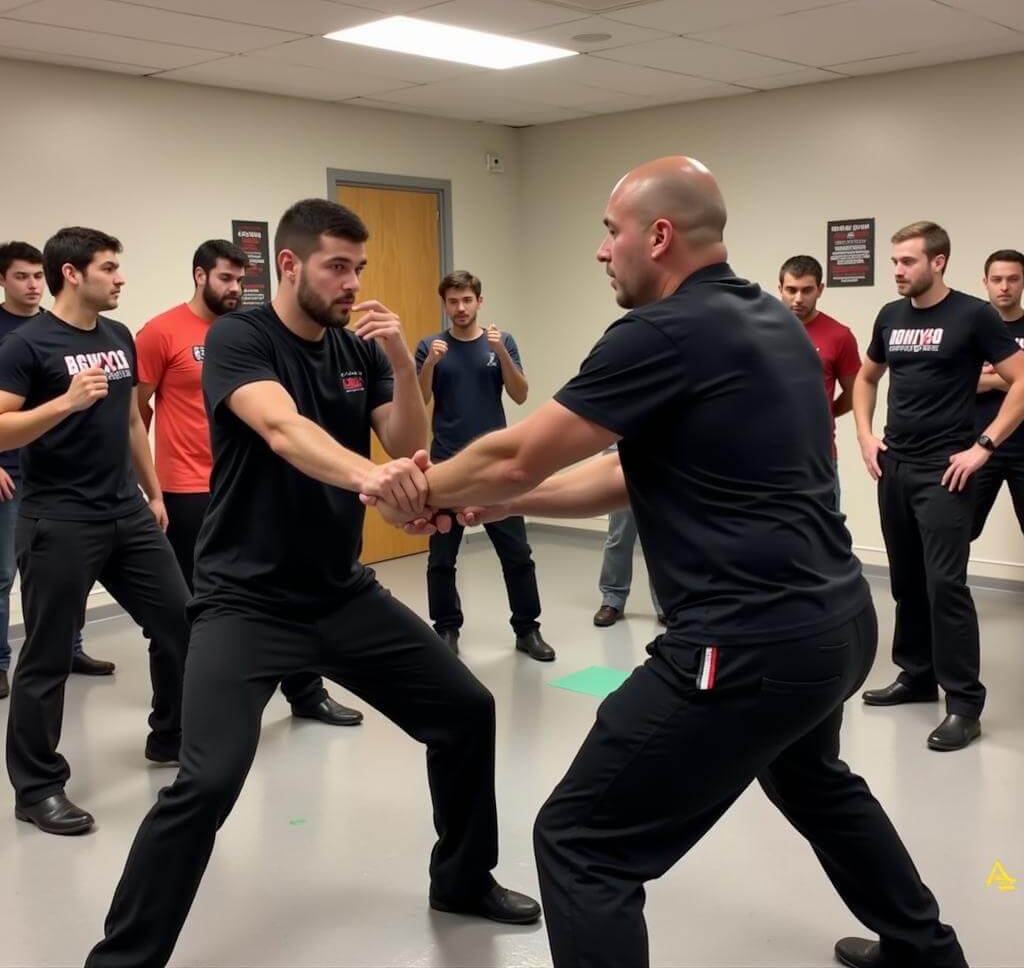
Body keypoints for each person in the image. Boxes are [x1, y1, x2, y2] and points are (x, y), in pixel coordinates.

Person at [370, 157, 967, 968]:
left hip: (743, 642)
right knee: (813, 780)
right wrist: (513, 505)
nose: (601, 251)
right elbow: (628, 472)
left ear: (658, 236)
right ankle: (925, 951)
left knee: (583, 843)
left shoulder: (661, 333)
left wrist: (402, 488)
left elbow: (514, 452)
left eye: (610, 232)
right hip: (835, 626)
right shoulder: (772, 324)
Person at [86, 200, 539, 968]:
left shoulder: (353, 349)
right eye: (338, 265)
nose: (352, 283)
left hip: (341, 593)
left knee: (466, 711)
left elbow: (409, 440)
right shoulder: (241, 338)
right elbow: (282, 428)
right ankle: (123, 958)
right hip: (246, 602)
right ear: (289, 265)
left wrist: (399, 358)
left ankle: (462, 879)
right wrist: (380, 483)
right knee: (207, 783)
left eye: (359, 268)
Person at [0, 227, 189, 836]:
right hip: (58, 518)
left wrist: (153, 491)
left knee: (182, 623)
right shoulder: (27, 344)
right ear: (73, 273)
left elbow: (134, 419)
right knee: (48, 656)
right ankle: (37, 788)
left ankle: (171, 737)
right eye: (110, 267)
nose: (121, 278)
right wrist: (63, 404)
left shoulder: (118, 336)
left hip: (125, 512)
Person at [136, 237, 363, 726]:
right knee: (193, 611)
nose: (237, 288)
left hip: (257, 485)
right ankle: (178, 722)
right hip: (191, 487)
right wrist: (151, 487)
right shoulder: (160, 332)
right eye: (226, 278)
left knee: (290, 585)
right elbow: (137, 413)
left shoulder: (254, 332)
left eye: (241, 279)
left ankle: (306, 692)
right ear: (200, 275)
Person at [853, 223, 1024, 752]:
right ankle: (916, 675)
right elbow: (866, 378)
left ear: (939, 262)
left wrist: (984, 447)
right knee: (905, 579)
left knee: (944, 585)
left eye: (907, 262)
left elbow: (1022, 379)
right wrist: (863, 435)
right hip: (895, 466)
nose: (898, 271)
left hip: (944, 470)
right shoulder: (890, 316)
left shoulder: (972, 315)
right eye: (895, 262)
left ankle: (964, 704)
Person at [415, 270, 552, 661]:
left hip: (496, 468)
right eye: (453, 301)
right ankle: (446, 629)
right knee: (442, 557)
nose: (460, 308)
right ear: (445, 304)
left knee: (517, 554)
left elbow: (521, 395)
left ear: (479, 302)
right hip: (445, 465)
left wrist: (503, 353)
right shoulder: (430, 346)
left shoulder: (501, 342)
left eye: (467, 300)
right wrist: (429, 365)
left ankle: (527, 629)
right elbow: (419, 397)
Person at [0, 241, 114, 700]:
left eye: (35, 276)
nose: (31, 286)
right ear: (3, 280)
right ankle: (2, 661)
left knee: (68, 575)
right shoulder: (14, 340)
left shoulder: (64, 327)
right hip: (11, 471)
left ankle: (73, 647)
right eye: (20, 277)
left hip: (66, 474)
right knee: (5, 575)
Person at [779, 254, 861, 509]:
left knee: (826, 537)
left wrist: (828, 413)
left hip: (818, 458)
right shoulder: (758, 330)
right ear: (780, 289)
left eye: (807, 290)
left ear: (820, 289)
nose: (798, 299)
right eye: (791, 290)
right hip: (770, 456)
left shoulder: (839, 335)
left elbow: (856, 390)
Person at [970, 249, 1024, 540]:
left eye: (1013, 279)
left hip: (1023, 448)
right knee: (959, 531)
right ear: (985, 282)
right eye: (997, 279)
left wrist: (990, 376)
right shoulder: (971, 328)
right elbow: (956, 382)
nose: (1004, 286)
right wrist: (1009, 380)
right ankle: (949, 588)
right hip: (977, 447)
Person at [592, 444, 665, 627]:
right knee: (619, 536)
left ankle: (666, 604)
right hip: (621, 456)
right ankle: (612, 600)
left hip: (660, 455)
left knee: (660, 539)